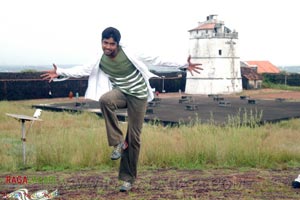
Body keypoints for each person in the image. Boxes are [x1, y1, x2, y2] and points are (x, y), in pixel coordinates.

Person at [41, 27, 203, 192]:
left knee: (134, 138)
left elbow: (157, 59)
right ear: (101, 42)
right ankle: (118, 142)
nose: (108, 47)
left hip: (139, 97)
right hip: (122, 94)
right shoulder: (100, 60)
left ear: (117, 44)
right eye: (106, 43)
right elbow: (81, 70)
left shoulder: (130, 53)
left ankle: (128, 179)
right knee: (105, 100)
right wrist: (59, 72)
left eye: (112, 44)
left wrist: (183, 64)